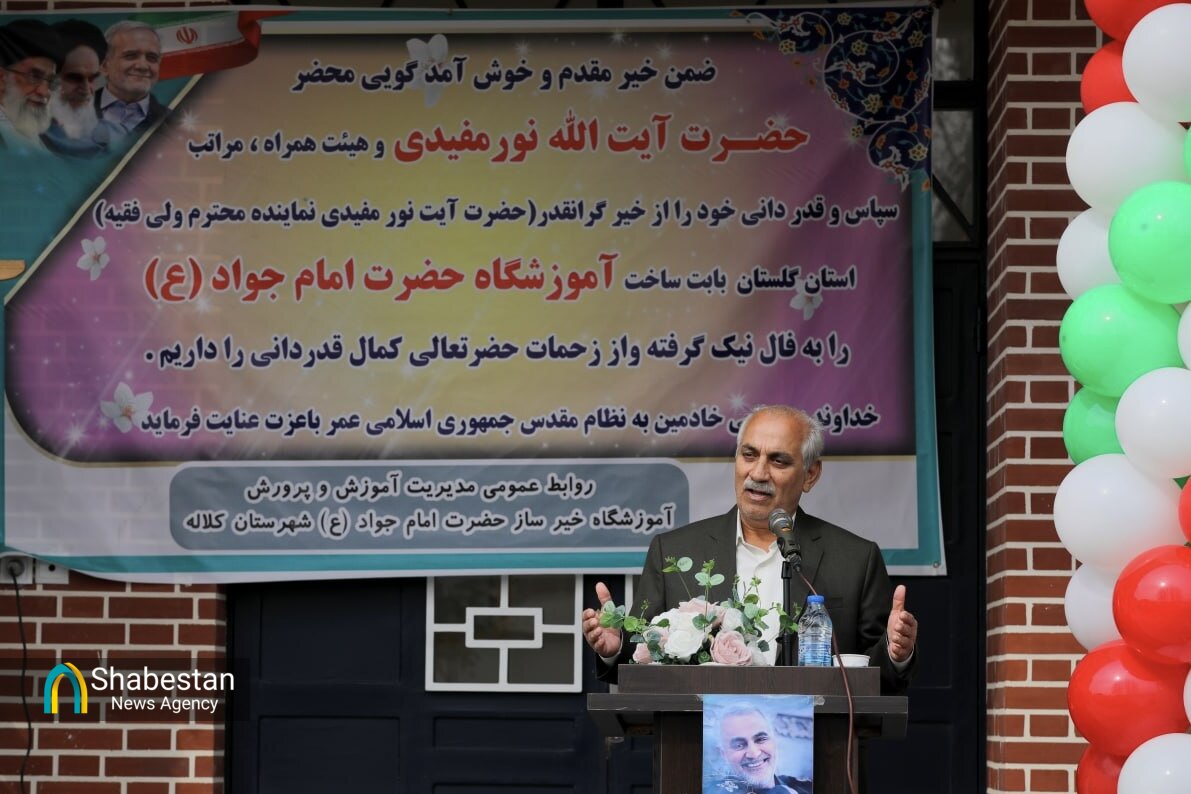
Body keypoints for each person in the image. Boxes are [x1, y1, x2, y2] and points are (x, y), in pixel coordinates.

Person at [581, 404, 919, 694]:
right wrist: (615, 649)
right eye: (749, 455)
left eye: (778, 461)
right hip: (696, 741)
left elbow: (878, 678)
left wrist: (896, 653)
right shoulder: (673, 551)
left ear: (810, 474)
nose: (758, 473)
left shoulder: (855, 560)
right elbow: (640, 661)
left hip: (817, 741)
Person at [709, 705, 811, 794]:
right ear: (724, 754)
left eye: (761, 739)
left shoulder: (806, 788)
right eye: (739, 745)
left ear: (774, 741)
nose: (754, 754)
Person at [43, 19, 108, 157]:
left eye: (92, 79)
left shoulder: (109, 135)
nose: (86, 90)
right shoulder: (22, 136)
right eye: (74, 78)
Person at [95, 20, 167, 140]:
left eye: (152, 58)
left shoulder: (177, 124)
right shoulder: (70, 116)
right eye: (130, 56)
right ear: (104, 65)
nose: (143, 66)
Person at [0, 19, 62, 154]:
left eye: (51, 81)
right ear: (2, 78)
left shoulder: (36, 133)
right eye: (34, 77)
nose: (44, 91)